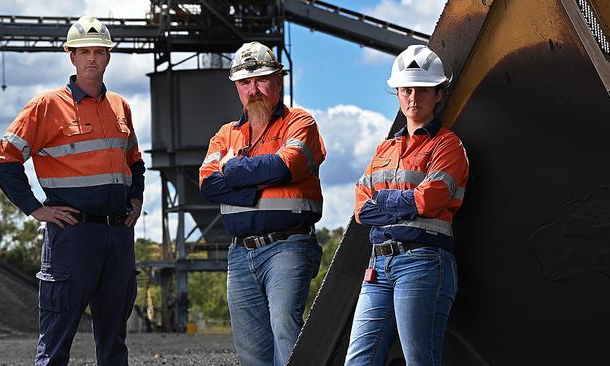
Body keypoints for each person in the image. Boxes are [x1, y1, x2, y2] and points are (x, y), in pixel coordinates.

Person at [0, 15, 145, 365]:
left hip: (118, 235)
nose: (92, 58)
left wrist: (136, 199)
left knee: (114, 345)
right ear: (70, 56)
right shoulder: (46, 106)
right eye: (84, 51)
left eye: (100, 51)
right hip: (72, 234)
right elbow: (4, 159)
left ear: (109, 57)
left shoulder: (121, 107)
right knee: (56, 343)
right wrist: (36, 209)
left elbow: (135, 161)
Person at [199, 41, 326, 366]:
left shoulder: (300, 123)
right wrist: (259, 188)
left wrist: (234, 169)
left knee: (286, 334)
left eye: (261, 80)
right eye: (245, 83)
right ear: (237, 88)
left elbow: (285, 166)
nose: (253, 89)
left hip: (287, 246)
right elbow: (209, 184)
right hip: (240, 252)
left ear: (278, 80)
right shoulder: (226, 134)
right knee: (250, 350)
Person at [345, 45, 469, 366]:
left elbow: (432, 197)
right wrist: (403, 202)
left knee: (420, 361)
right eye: (406, 90)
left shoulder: (447, 145)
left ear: (438, 95)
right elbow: (361, 208)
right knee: (358, 362)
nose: (413, 98)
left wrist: (383, 199)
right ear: (397, 93)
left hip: (423, 262)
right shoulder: (385, 148)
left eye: (423, 90)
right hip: (378, 266)